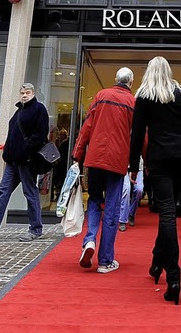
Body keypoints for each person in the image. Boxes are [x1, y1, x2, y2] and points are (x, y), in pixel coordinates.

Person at [129, 56, 181, 306]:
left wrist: (133, 166)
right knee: (169, 211)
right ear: (169, 70)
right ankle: (156, 262)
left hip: (159, 158)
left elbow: (137, 134)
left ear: (149, 71)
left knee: (166, 214)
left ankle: (173, 276)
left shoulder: (144, 95)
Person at [72, 67, 136, 273]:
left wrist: (77, 156)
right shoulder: (132, 102)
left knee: (93, 199)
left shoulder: (100, 95)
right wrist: (141, 165)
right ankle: (106, 260)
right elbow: (139, 137)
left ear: (115, 79)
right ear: (131, 82)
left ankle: (90, 239)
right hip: (117, 162)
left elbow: (87, 127)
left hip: (95, 158)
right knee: (112, 208)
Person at [0, 83, 49, 244]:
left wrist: (25, 151)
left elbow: (41, 134)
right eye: (22, 92)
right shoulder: (18, 111)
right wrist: (8, 154)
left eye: (27, 92)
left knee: (30, 193)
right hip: (13, 162)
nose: (24, 95)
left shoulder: (39, 109)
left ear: (33, 93)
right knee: (2, 193)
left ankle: (35, 229)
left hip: (26, 161)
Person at [119, 157, 144, 231]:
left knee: (139, 190)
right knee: (126, 189)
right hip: (123, 164)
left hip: (138, 165)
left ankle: (131, 214)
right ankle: (122, 220)